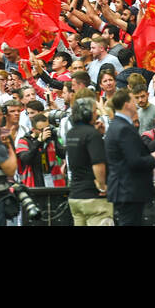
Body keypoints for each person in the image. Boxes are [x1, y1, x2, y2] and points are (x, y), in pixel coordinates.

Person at [103, 88, 155, 226]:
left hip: (124, 189)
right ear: (127, 105)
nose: (136, 103)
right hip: (128, 189)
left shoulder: (117, 126)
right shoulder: (124, 128)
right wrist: (154, 158)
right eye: (132, 100)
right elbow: (134, 161)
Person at [64, 97, 111, 226]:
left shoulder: (71, 133)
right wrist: (102, 186)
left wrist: (98, 134)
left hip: (75, 196)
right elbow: (98, 164)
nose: (97, 114)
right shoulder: (91, 135)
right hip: (93, 198)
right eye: (95, 110)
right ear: (86, 113)